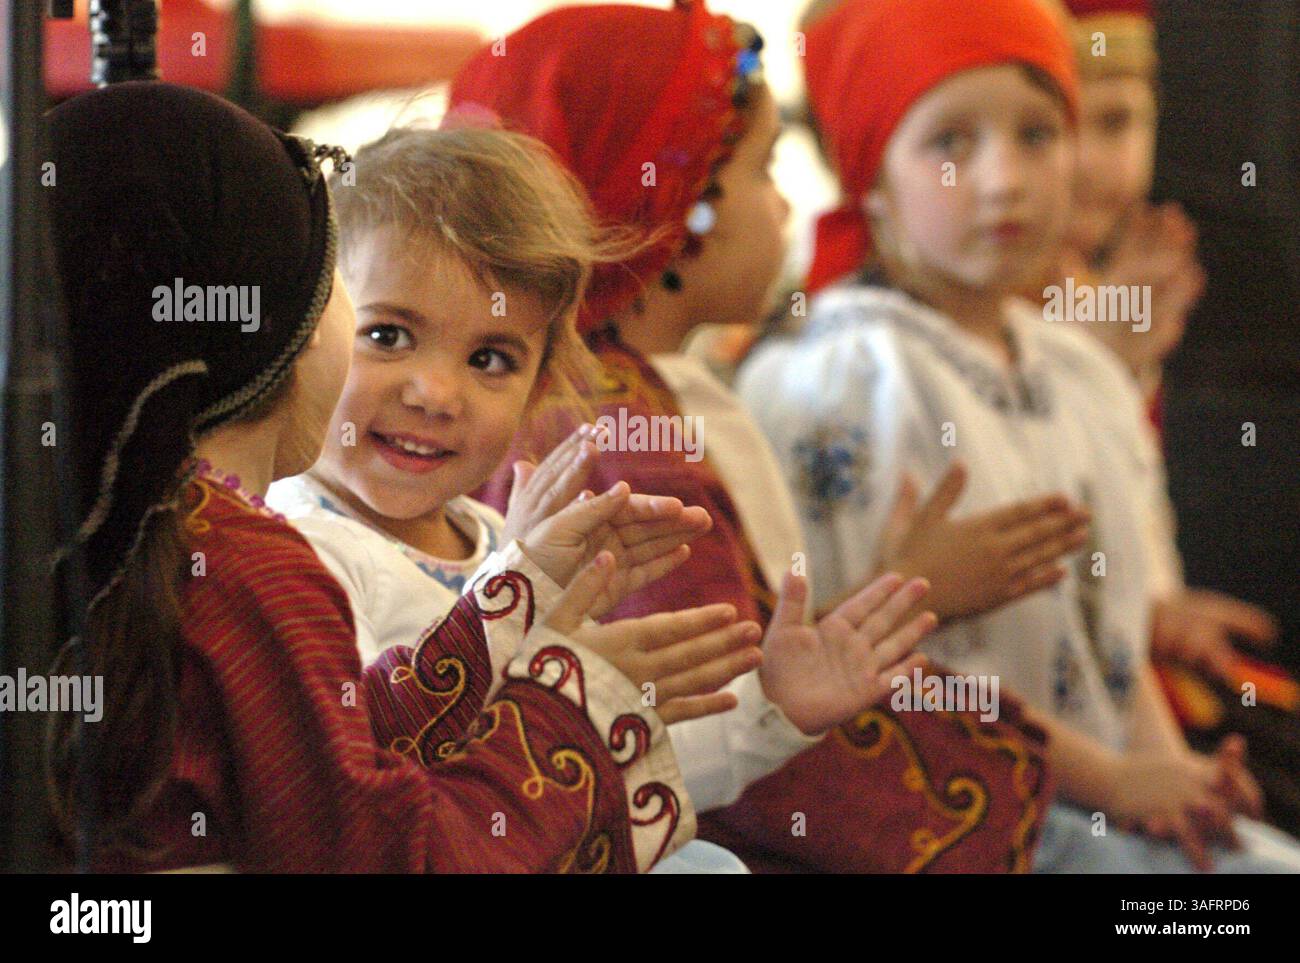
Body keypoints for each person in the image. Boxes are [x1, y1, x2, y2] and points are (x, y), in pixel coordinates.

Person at [44, 81, 759, 873]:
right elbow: (387, 853)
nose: (431, 390)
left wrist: (516, 592)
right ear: (287, 330)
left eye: (489, 357)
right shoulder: (255, 565)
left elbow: (334, 749)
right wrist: (568, 707)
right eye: (365, 320)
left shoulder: (95, 526)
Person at [456, 0, 1061, 873]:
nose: (785, 205)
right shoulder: (620, 443)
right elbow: (730, 725)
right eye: (764, 169)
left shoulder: (636, 398)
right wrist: (905, 591)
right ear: (675, 197)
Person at [740, 0, 1300, 872]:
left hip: (1094, 806)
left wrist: (1174, 774)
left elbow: (1105, 642)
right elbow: (848, 674)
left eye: (1037, 135)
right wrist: (1118, 780)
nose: (1004, 179)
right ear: (872, 175)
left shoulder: (1074, 369)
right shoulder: (843, 376)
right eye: (950, 144)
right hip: (947, 823)